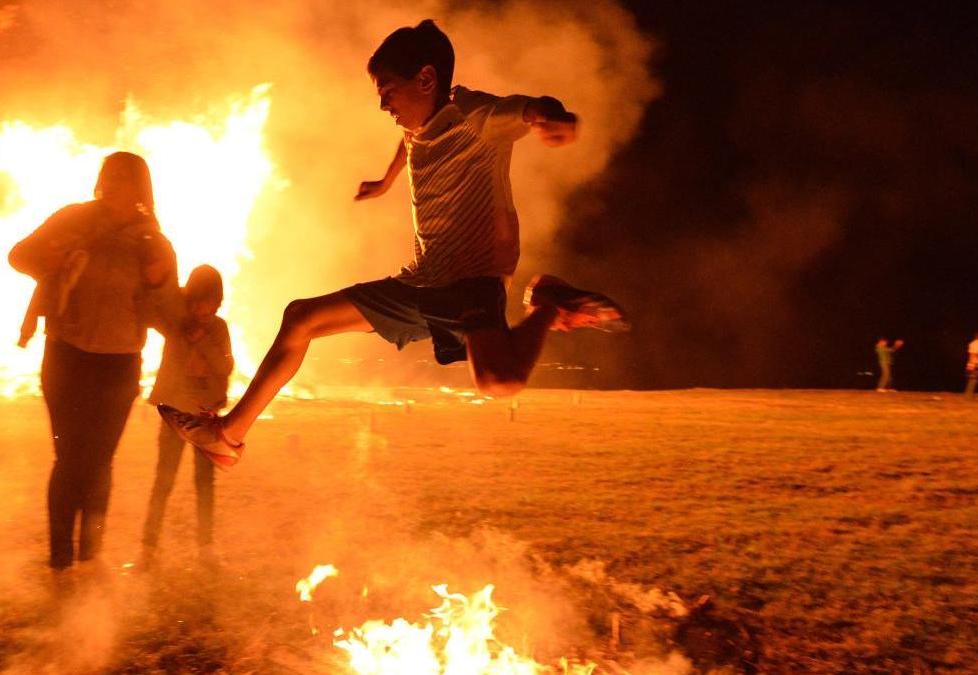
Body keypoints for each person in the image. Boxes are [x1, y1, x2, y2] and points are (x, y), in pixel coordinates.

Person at [159, 20, 628, 464]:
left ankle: (546, 302)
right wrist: (385, 182)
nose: (384, 104)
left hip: (470, 283)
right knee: (300, 317)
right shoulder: (416, 126)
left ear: (426, 79)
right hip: (423, 284)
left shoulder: (476, 116)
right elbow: (410, 143)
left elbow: (530, 107)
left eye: (388, 90)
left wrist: (553, 116)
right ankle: (227, 437)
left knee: (499, 381)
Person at [8, 152, 176, 576]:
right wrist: (53, 259)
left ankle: (91, 555)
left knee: (99, 461)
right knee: (69, 458)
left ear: (142, 187)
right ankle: (61, 561)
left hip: (119, 364)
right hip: (67, 355)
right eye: (110, 176)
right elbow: (19, 255)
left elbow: (163, 312)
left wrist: (161, 285)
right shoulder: (73, 219)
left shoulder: (151, 240)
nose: (116, 185)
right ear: (101, 180)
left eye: (126, 178)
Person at [141, 265, 233, 566]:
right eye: (194, 301)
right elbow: (154, 310)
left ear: (217, 301)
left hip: (205, 415)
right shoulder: (175, 322)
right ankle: (148, 547)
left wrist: (201, 341)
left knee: (204, 482)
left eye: (205, 301)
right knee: (163, 480)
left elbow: (224, 368)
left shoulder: (219, 329)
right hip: (174, 413)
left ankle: (205, 546)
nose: (199, 308)